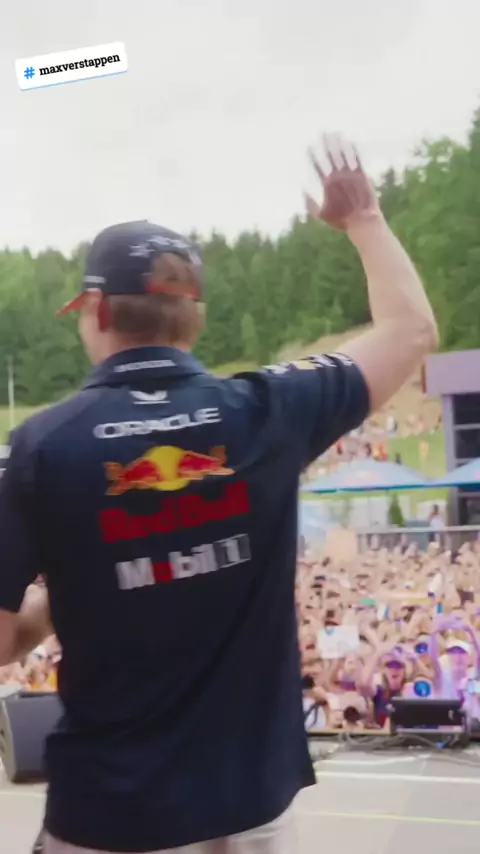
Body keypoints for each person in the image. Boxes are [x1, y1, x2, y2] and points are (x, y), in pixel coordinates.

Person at [0, 135, 437, 854]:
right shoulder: (270, 409)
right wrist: (364, 218)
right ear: (195, 318)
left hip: (111, 815)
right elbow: (411, 330)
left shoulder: (43, 447)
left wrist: (60, 599)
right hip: (250, 808)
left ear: (98, 311)